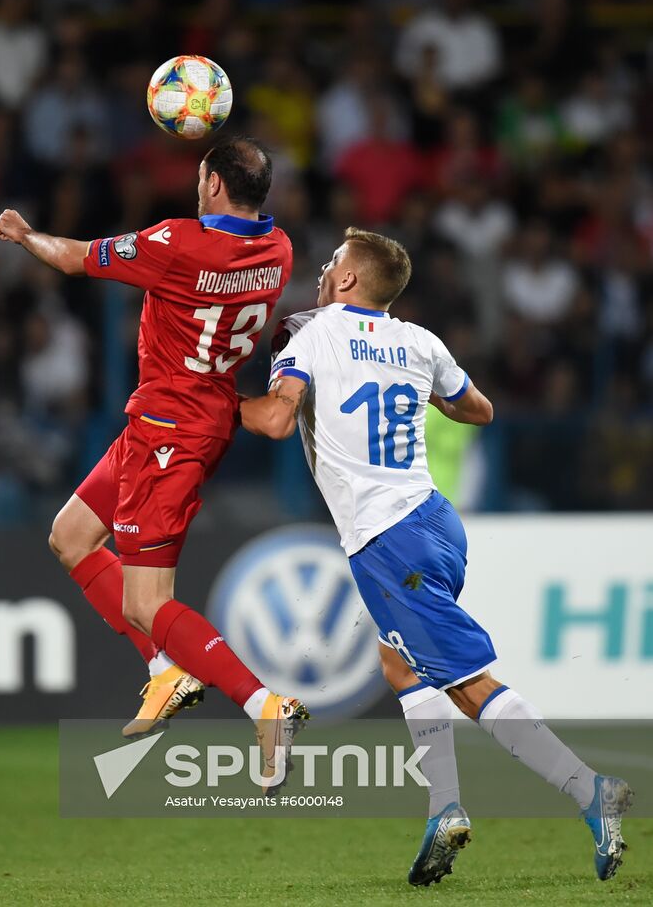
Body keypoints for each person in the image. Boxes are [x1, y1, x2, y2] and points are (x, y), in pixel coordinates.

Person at [240, 227, 632, 884]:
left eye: (332, 262)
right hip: (434, 520)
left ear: (345, 280)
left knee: (466, 682)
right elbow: (476, 409)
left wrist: (212, 401)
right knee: (397, 662)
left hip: (387, 537)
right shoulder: (420, 342)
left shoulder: (310, 337)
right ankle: (442, 807)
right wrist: (409, 386)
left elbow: (275, 422)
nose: (322, 270)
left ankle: (589, 791)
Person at [0, 136, 308, 788]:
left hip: (170, 434)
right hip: (181, 421)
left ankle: (264, 705)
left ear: (215, 185)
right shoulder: (277, 250)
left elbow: (77, 260)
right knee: (72, 536)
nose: (196, 186)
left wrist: (25, 235)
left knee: (145, 603)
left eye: (200, 176)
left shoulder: (180, 244)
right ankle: (165, 672)